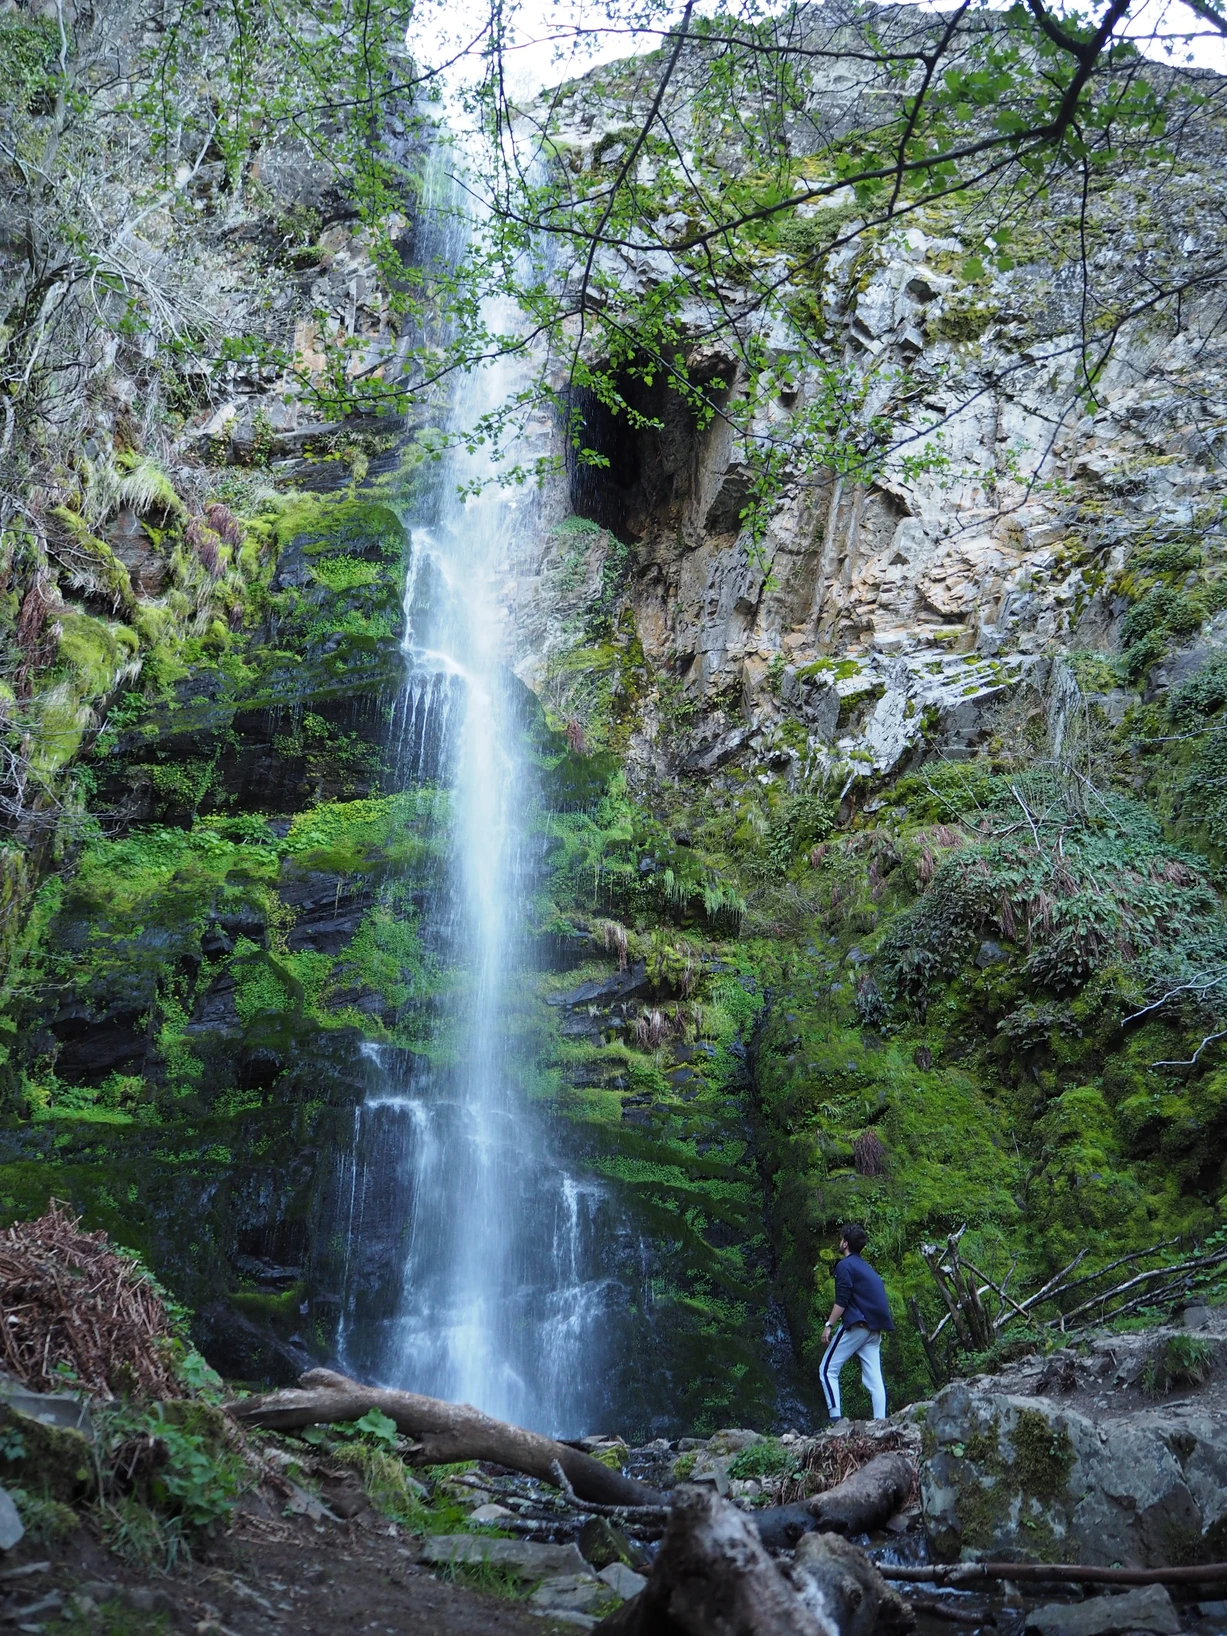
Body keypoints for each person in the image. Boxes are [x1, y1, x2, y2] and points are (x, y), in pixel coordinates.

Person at [818, 1224, 894, 1421]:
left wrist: (828, 1325)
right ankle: (881, 1422)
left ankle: (836, 1422)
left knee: (827, 1370)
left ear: (845, 1243)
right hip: (874, 1329)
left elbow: (841, 1301)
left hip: (857, 1326)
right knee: (874, 1379)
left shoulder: (844, 1266)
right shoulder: (865, 1267)